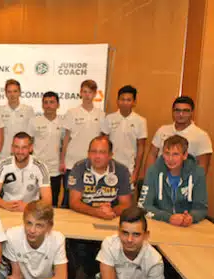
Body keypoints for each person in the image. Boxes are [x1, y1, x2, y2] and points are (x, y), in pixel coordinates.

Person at [68, 136, 132, 279]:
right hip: (84, 214)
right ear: (88, 153)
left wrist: (111, 212)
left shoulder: (122, 171)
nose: (97, 156)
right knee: (79, 243)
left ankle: (98, 274)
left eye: (102, 152)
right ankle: (82, 272)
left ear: (110, 155)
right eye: (93, 152)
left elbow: (126, 204)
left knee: (110, 243)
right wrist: (96, 212)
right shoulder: (79, 167)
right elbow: (74, 202)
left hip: (110, 216)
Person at [3, 201, 69, 279]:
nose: (32, 230)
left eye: (39, 225)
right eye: (29, 223)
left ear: (49, 227)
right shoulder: (12, 236)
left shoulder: (58, 239)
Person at [95, 206, 163, 279]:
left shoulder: (154, 260)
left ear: (146, 235)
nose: (129, 240)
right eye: (125, 233)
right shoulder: (109, 244)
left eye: (136, 234)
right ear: (118, 231)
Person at [139, 135, 208, 226]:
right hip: (160, 223)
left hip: (187, 226)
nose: (170, 159)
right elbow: (144, 206)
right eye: (167, 153)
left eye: (175, 154)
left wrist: (191, 217)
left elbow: (201, 208)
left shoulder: (197, 173)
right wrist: (168, 218)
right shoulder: (153, 171)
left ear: (185, 155)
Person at [60, 79, 104, 208]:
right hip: (71, 163)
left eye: (90, 92)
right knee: (68, 197)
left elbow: (103, 139)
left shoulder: (101, 114)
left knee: (88, 197)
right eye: (84, 92)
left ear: (95, 94)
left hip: (92, 163)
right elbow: (66, 138)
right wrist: (62, 161)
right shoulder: (72, 112)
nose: (87, 95)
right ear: (80, 93)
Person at [147, 96, 212, 175]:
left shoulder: (201, 136)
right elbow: (152, 155)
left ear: (192, 112)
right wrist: (148, 178)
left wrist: (195, 185)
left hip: (186, 182)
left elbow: (203, 166)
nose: (181, 114)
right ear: (172, 112)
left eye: (186, 111)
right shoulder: (162, 130)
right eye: (177, 110)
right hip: (160, 179)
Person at [0, 132, 52, 212]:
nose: (20, 151)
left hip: (33, 210)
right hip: (7, 209)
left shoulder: (40, 167)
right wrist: (4, 204)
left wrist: (28, 207)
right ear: (12, 148)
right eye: (16, 147)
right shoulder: (3, 165)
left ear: (31, 148)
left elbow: (47, 201)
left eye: (24, 147)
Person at [101, 85, 148, 185]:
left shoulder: (140, 121)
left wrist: (136, 172)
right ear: (117, 101)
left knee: (126, 199)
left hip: (129, 168)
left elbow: (141, 148)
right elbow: (103, 143)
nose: (125, 102)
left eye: (128, 100)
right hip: (109, 166)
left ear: (134, 102)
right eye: (122, 99)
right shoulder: (109, 118)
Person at [27, 91, 64, 207]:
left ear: (58, 105)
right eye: (46, 102)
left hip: (55, 169)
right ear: (42, 105)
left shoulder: (63, 122)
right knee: (34, 201)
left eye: (52, 102)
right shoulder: (34, 121)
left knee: (51, 202)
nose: (48, 105)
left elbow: (65, 143)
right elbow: (29, 142)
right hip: (36, 167)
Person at [0, 79, 35, 161]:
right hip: (3, 156)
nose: (12, 95)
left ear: (20, 92)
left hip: (22, 156)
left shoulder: (28, 110)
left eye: (15, 91)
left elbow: (31, 136)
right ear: (6, 93)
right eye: (9, 92)